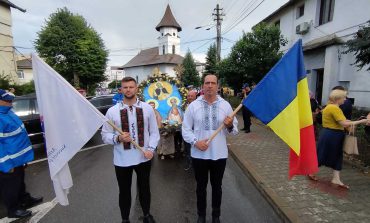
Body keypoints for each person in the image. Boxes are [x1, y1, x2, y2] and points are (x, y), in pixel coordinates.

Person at [101, 77, 160, 223]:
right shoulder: (112, 111)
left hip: (143, 157)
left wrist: (151, 149)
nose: (128, 89)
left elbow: (154, 132)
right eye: (125, 87)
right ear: (121, 90)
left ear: (136, 88)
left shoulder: (147, 109)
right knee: (124, 191)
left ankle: (146, 214)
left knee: (145, 189)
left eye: (131, 87)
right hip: (122, 159)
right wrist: (118, 138)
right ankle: (125, 219)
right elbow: (105, 135)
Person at [182, 74, 238, 223]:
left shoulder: (225, 105)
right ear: (202, 86)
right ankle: (201, 215)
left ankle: (216, 216)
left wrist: (230, 125)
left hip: (219, 155)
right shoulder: (193, 106)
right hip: (199, 155)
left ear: (218, 86)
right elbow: (185, 129)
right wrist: (195, 142)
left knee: (217, 187)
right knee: (200, 187)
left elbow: (234, 131)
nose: (210, 86)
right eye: (207, 83)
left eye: (213, 83)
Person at [308, 89, 369, 189]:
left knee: (335, 155)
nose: (345, 100)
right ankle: (312, 171)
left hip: (330, 134)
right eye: (344, 97)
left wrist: (354, 121)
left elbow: (342, 120)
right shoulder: (334, 108)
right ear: (338, 99)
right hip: (333, 135)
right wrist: (361, 121)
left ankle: (335, 178)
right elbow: (344, 123)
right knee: (325, 154)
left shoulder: (329, 107)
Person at [0, 89, 43, 219]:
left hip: (18, 159)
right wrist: (6, 165)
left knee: (19, 183)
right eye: (7, 100)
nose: (11, 102)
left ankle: (25, 199)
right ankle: (13, 210)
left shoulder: (8, 112)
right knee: (10, 187)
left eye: (10, 99)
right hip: (9, 162)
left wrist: (23, 159)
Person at [183, 90, 198, 170]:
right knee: (187, 149)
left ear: (195, 96)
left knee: (196, 147)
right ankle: (189, 163)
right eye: (188, 96)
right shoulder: (184, 105)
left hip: (196, 131)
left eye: (191, 96)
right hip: (187, 131)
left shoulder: (198, 105)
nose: (190, 97)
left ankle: (197, 164)